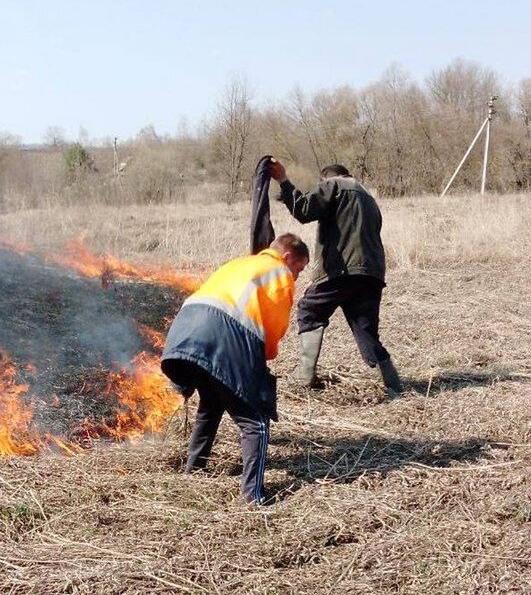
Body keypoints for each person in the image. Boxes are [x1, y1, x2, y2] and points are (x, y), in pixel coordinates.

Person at [161, 233, 310, 505]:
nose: (297, 276)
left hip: (184, 329)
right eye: (299, 269)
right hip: (224, 334)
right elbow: (273, 329)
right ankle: (252, 497)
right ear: (287, 257)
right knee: (255, 420)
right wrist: (262, 362)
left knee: (212, 400)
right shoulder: (279, 272)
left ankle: (194, 468)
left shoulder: (239, 263)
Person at [268, 160, 403, 398]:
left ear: (326, 178)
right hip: (371, 274)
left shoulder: (334, 185)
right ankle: (393, 384)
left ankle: (305, 376)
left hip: (342, 269)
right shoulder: (368, 198)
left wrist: (283, 181)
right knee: (365, 329)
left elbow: (304, 210)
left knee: (309, 310)